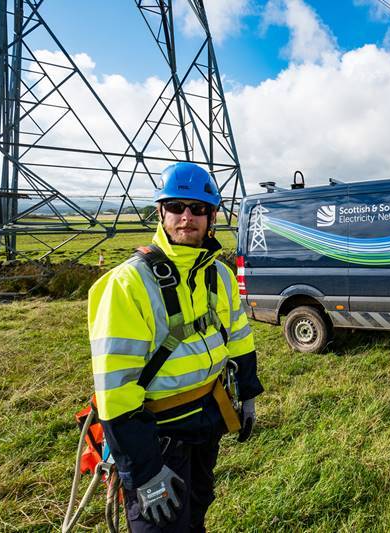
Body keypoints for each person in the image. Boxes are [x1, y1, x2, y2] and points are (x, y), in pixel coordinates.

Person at [88, 162, 263, 532]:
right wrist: (145, 471)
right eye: (177, 207)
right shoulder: (127, 285)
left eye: (198, 209)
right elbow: (115, 392)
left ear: (212, 215)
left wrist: (248, 393)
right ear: (161, 212)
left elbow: (240, 336)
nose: (187, 217)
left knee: (196, 511)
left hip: (207, 421)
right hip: (156, 437)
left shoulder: (220, 275)